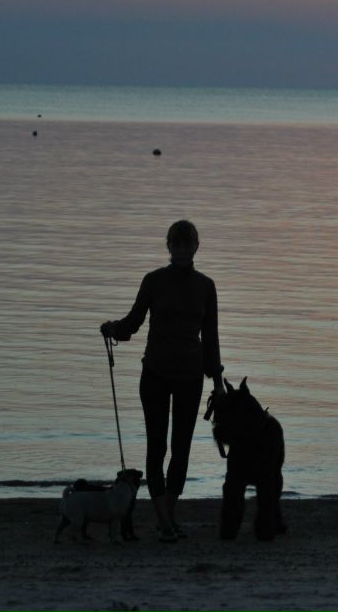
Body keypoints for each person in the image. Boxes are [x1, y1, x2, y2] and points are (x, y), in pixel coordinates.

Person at [101, 219, 224, 542]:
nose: (182, 249)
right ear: (169, 246)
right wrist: (113, 328)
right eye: (177, 244)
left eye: (187, 244)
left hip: (190, 377)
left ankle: (168, 514)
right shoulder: (153, 281)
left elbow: (210, 338)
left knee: (181, 448)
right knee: (157, 446)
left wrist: (219, 380)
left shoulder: (206, 286)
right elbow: (133, 322)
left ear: (196, 246)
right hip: (154, 374)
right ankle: (163, 519)